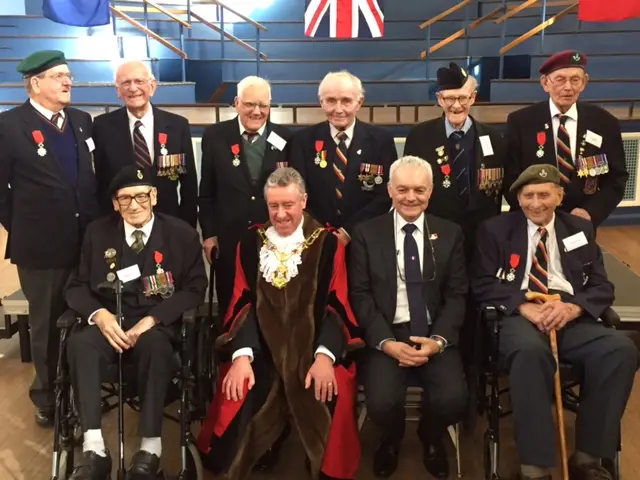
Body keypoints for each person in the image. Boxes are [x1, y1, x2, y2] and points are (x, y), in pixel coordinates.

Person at [472, 164, 639, 480]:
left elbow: (602, 287)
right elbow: (482, 283)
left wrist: (574, 308)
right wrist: (523, 305)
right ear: (518, 199)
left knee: (621, 350)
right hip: (519, 316)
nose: (536, 203)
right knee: (530, 353)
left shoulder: (578, 229)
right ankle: (534, 466)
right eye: (528, 196)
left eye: (544, 195)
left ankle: (589, 458)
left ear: (559, 197)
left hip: (568, 315)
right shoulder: (494, 230)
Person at [196, 167, 362, 480]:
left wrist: (325, 357)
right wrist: (242, 355)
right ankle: (258, 449)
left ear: (303, 201)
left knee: (332, 389)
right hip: (262, 351)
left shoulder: (328, 244)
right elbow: (241, 301)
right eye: (274, 206)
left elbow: (338, 305)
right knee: (238, 388)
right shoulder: (250, 241)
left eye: (288, 205)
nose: (281, 214)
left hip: (312, 352)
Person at [64, 165, 207, 479]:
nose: (134, 204)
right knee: (79, 344)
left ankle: (150, 449)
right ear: (115, 203)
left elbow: (196, 288)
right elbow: (75, 286)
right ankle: (94, 448)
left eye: (141, 195)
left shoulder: (181, 234)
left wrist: (154, 319)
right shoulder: (97, 233)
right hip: (109, 326)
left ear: (154, 196)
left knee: (156, 346)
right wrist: (99, 316)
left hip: (155, 328)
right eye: (124, 198)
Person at [349, 156, 468, 479]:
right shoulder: (366, 234)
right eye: (402, 189)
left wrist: (438, 341)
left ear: (430, 192)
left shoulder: (451, 233)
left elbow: (458, 295)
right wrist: (386, 342)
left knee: (454, 400)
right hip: (387, 332)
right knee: (381, 403)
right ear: (389, 190)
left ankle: (430, 435)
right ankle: (391, 437)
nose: (411, 197)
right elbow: (359, 295)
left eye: (419, 190)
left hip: (434, 333)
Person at [0, 50, 100, 426]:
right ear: (35, 83)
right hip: (41, 247)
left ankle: (81, 388)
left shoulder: (81, 121)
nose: (67, 81)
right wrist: (25, 225)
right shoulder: (9, 126)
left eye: (68, 75)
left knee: (87, 320)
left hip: (87, 241)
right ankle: (47, 395)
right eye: (58, 76)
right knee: (46, 323)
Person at [199, 75, 292, 319]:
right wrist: (209, 235)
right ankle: (229, 354)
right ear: (237, 102)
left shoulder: (286, 139)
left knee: (273, 306)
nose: (257, 111)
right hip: (229, 240)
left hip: (275, 239)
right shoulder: (215, 136)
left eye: (263, 105)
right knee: (231, 307)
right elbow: (206, 192)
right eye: (250, 104)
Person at [504, 50, 628, 228]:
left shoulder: (604, 123)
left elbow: (616, 179)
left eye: (575, 80)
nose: (568, 87)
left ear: (584, 82)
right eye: (560, 79)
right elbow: (510, 178)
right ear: (545, 83)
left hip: (581, 222)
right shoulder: (521, 122)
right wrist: (535, 211)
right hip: (530, 222)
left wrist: (591, 212)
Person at [404, 62, 506, 259]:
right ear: (440, 100)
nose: (456, 105)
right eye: (450, 98)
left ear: (473, 98)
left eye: (462, 98)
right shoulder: (419, 136)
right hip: (436, 233)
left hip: (482, 236)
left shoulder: (493, 137)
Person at [289, 71, 397, 244]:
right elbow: (297, 193)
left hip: (366, 238)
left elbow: (386, 194)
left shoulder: (381, 141)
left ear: (359, 103)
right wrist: (320, 232)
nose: (338, 109)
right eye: (331, 101)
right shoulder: (303, 141)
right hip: (315, 239)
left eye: (346, 101)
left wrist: (350, 231)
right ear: (321, 102)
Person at [93, 60, 198, 228]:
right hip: (120, 225)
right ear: (117, 90)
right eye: (126, 82)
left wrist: (187, 228)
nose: (133, 88)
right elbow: (100, 183)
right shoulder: (101, 127)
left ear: (152, 86)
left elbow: (189, 185)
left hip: (169, 225)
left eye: (139, 81)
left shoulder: (178, 126)